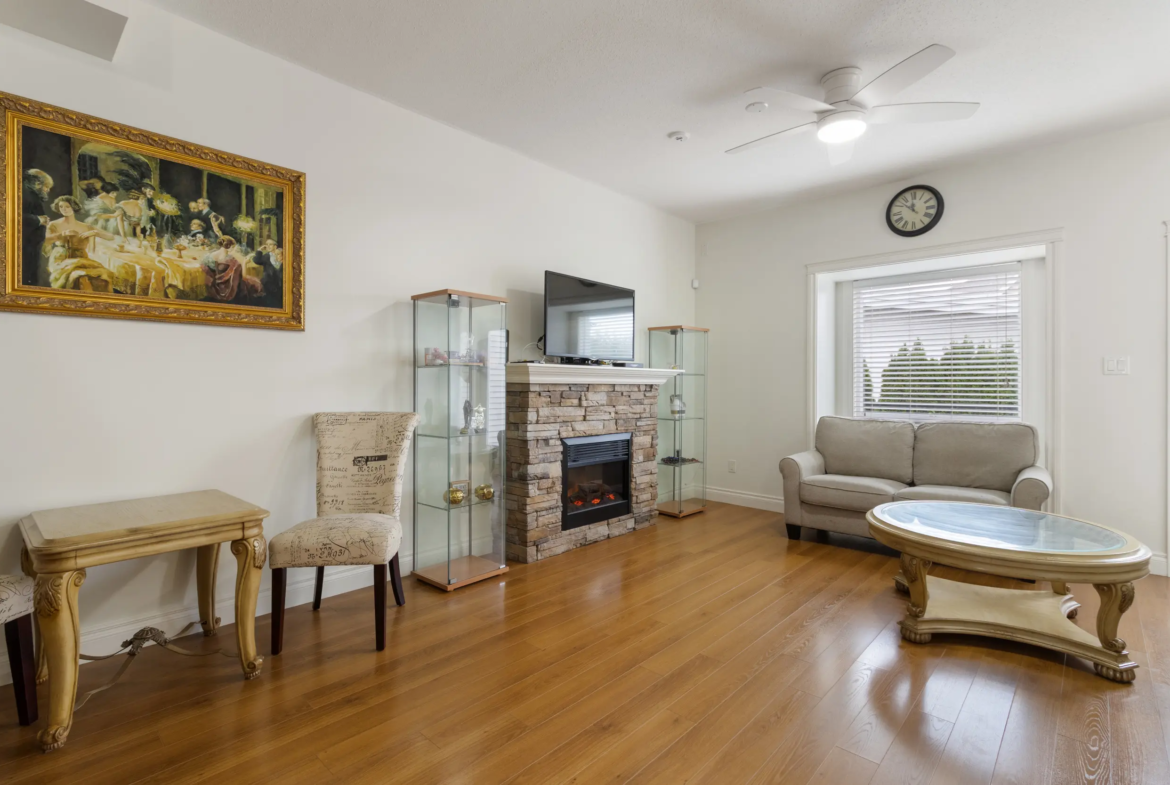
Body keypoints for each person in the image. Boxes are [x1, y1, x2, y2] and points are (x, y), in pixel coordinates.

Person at [43, 196, 117, 291]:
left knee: (103, 275)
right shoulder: (54, 224)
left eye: (67, 206)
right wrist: (62, 234)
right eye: (61, 207)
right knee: (80, 277)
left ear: (73, 207)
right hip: (61, 259)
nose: (64, 209)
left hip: (82, 259)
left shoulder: (86, 226)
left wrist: (95, 233)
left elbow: (111, 237)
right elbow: (45, 240)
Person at [202, 236, 260, 303]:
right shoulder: (230, 259)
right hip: (229, 288)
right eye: (233, 247)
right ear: (229, 246)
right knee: (250, 284)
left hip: (215, 285)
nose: (234, 249)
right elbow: (244, 276)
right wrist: (244, 263)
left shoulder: (211, 256)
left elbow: (206, 266)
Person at [22, 169, 53, 286]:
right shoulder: (25, 194)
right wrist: (39, 219)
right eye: (46, 186)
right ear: (37, 184)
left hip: (32, 245)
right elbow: (14, 217)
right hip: (25, 245)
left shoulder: (32, 195)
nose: (48, 190)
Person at [249, 238, 283, 308]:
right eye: (267, 244)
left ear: (275, 246)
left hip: (280, 281)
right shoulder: (266, 256)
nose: (268, 246)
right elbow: (257, 260)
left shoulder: (281, 253)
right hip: (269, 281)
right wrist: (259, 250)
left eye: (270, 244)